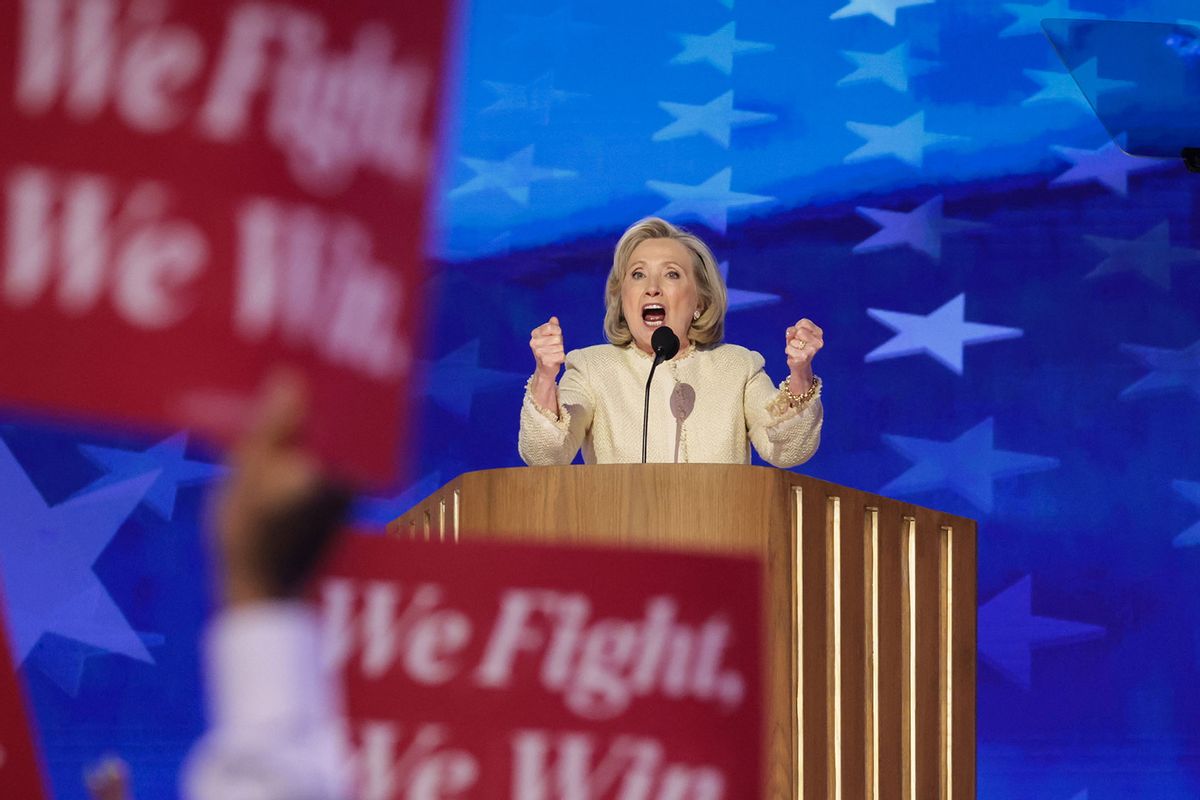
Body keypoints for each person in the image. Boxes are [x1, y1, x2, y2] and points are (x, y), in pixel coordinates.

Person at [520, 217, 824, 467]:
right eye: (638, 274)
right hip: (624, 538)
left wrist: (801, 375)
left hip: (721, 537)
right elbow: (545, 456)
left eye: (671, 274)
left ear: (700, 302)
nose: (652, 288)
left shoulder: (738, 366)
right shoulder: (592, 367)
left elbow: (788, 451)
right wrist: (546, 378)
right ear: (622, 298)